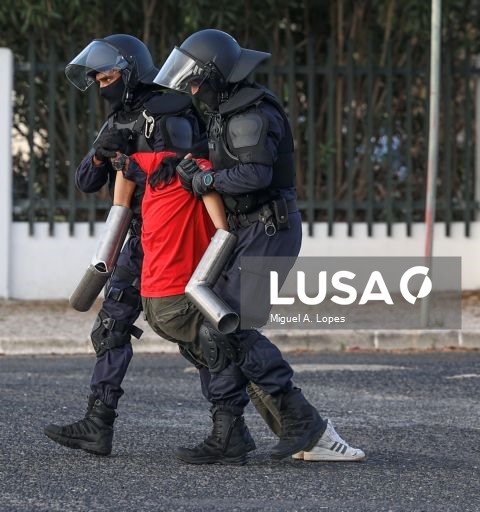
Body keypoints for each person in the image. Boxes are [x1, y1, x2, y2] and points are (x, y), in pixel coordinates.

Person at [138, 29, 366, 463]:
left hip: (269, 230)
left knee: (233, 327)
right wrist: (184, 165)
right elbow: (216, 156)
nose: (190, 89)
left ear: (215, 74)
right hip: (245, 230)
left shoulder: (251, 112)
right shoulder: (226, 109)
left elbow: (254, 176)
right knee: (214, 325)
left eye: (194, 80)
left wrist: (204, 180)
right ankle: (231, 433)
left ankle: (304, 424)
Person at [43, 34, 206, 456]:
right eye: (94, 74)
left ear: (131, 66)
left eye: (106, 71)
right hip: (138, 237)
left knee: (190, 329)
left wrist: (135, 167)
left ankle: (230, 423)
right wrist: (100, 156)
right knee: (112, 324)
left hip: (171, 235)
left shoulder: (169, 110)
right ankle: (98, 424)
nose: (99, 79)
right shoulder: (119, 116)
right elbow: (85, 182)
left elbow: (185, 177)